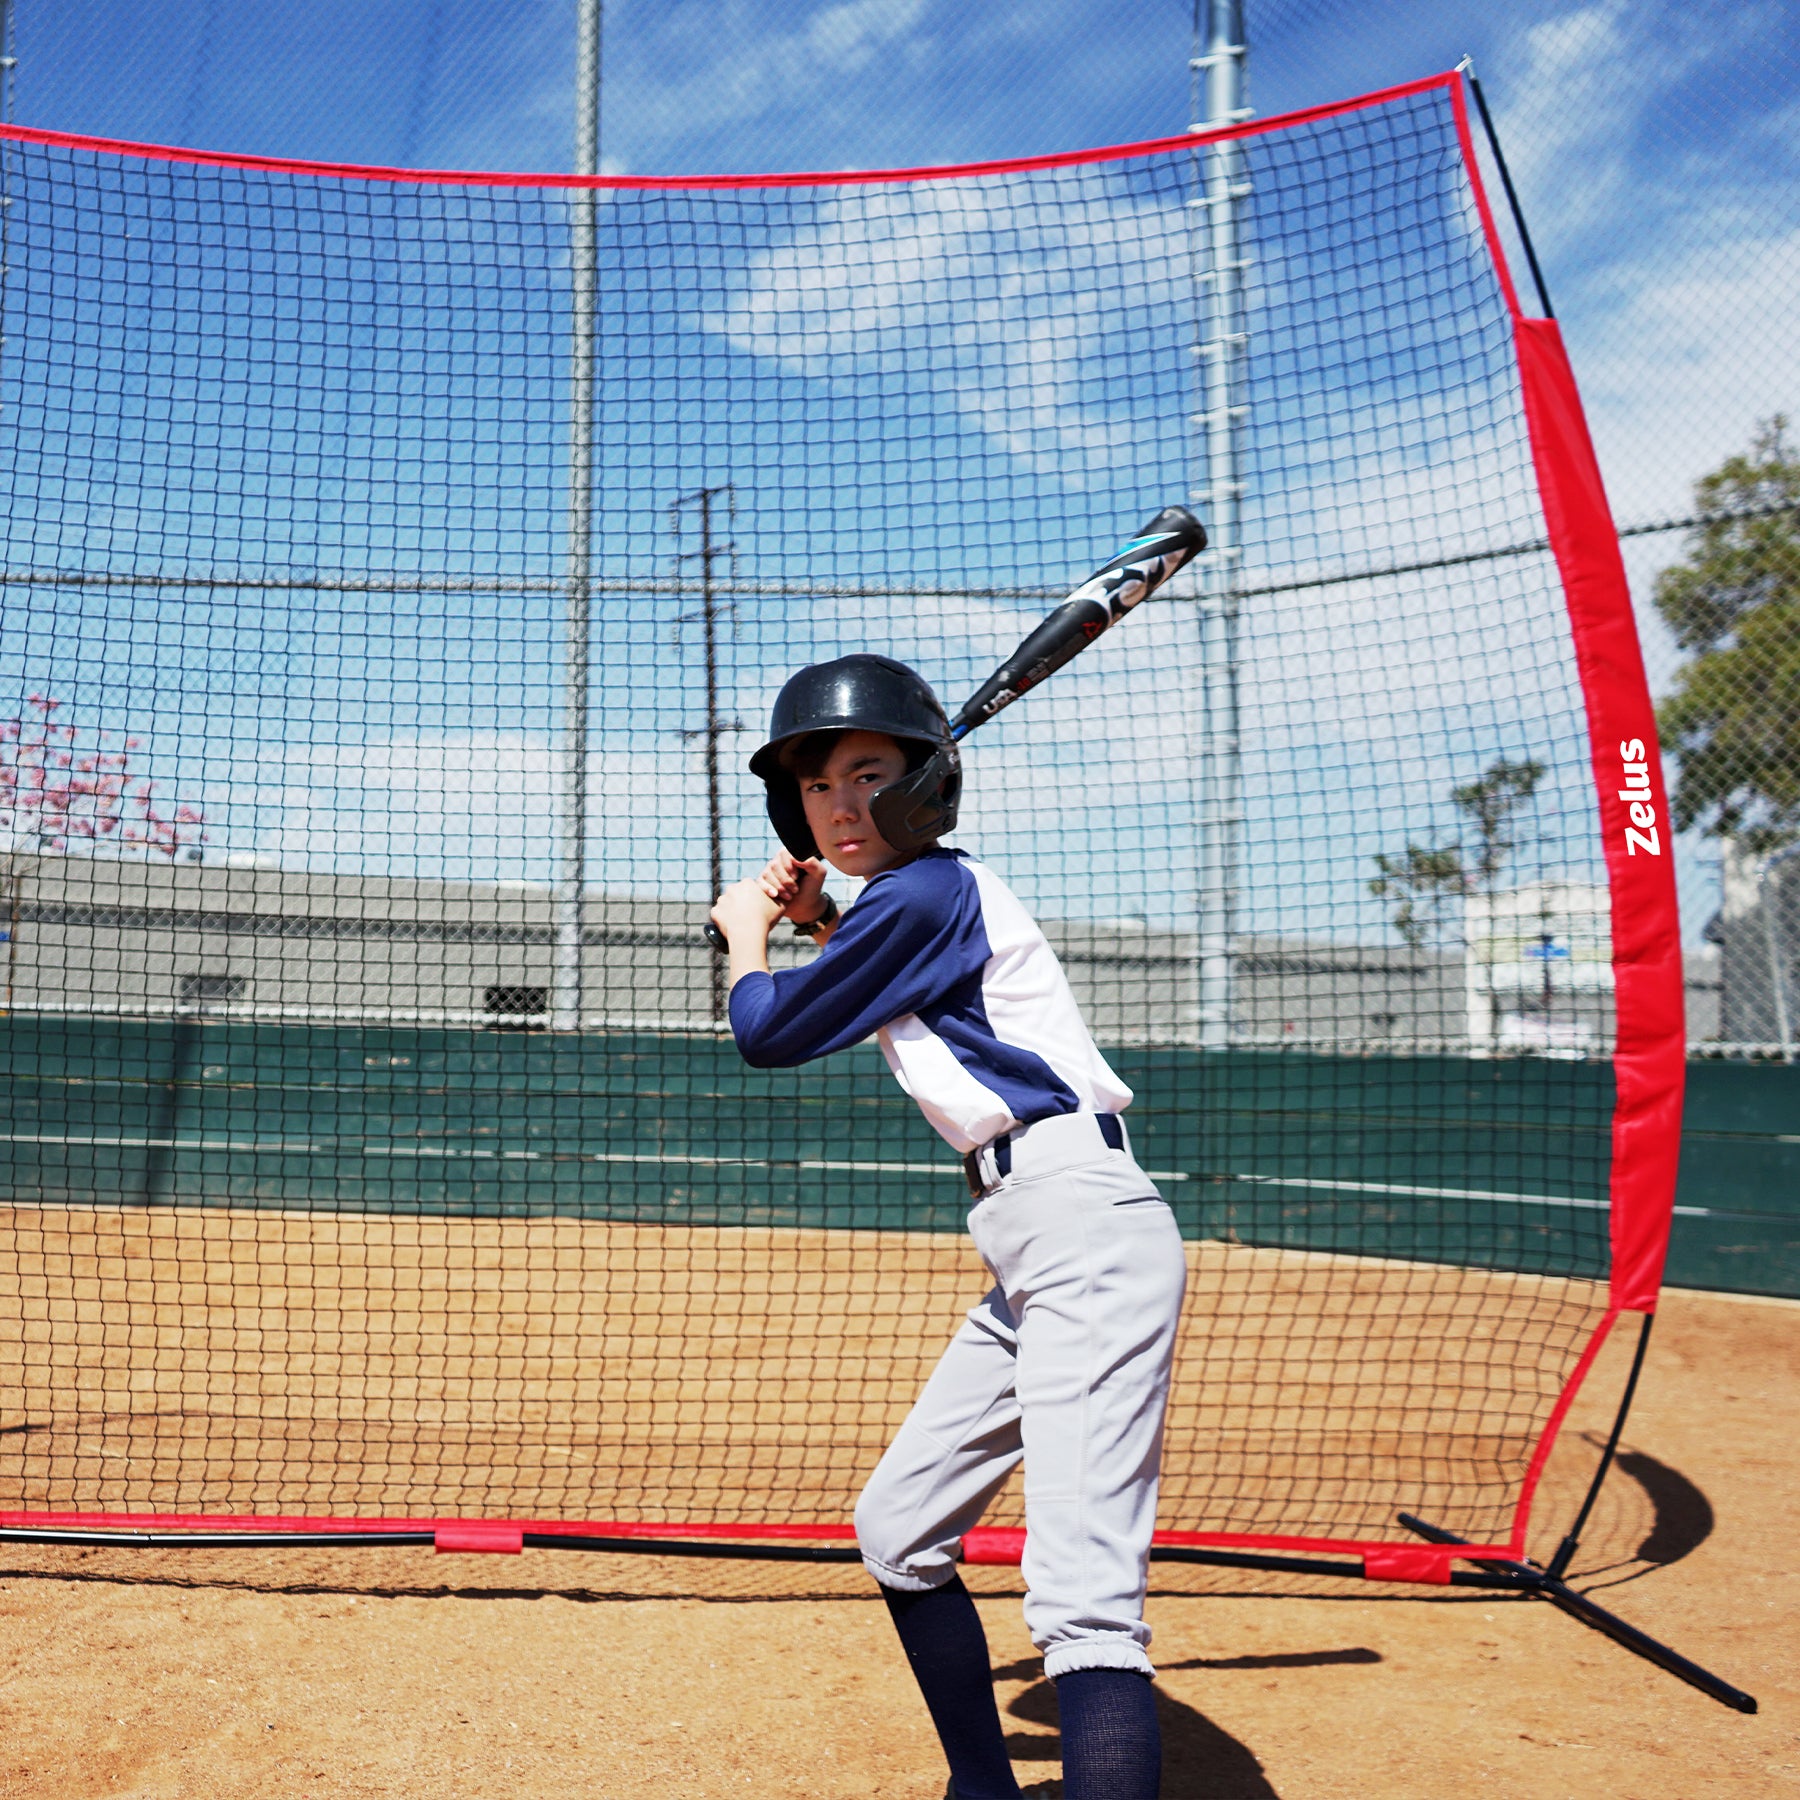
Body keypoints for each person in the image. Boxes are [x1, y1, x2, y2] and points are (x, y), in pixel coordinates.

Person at [710, 653, 1187, 1800]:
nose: (841, 805)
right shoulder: (916, 903)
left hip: (1084, 1232)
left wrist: (747, 936)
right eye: (818, 786)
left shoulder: (927, 892)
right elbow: (894, 982)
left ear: (928, 782)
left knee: (1083, 1607)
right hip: (1036, 1245)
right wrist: (822, 917)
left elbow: (769, 1032)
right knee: (899, 1527)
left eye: (869, 774)